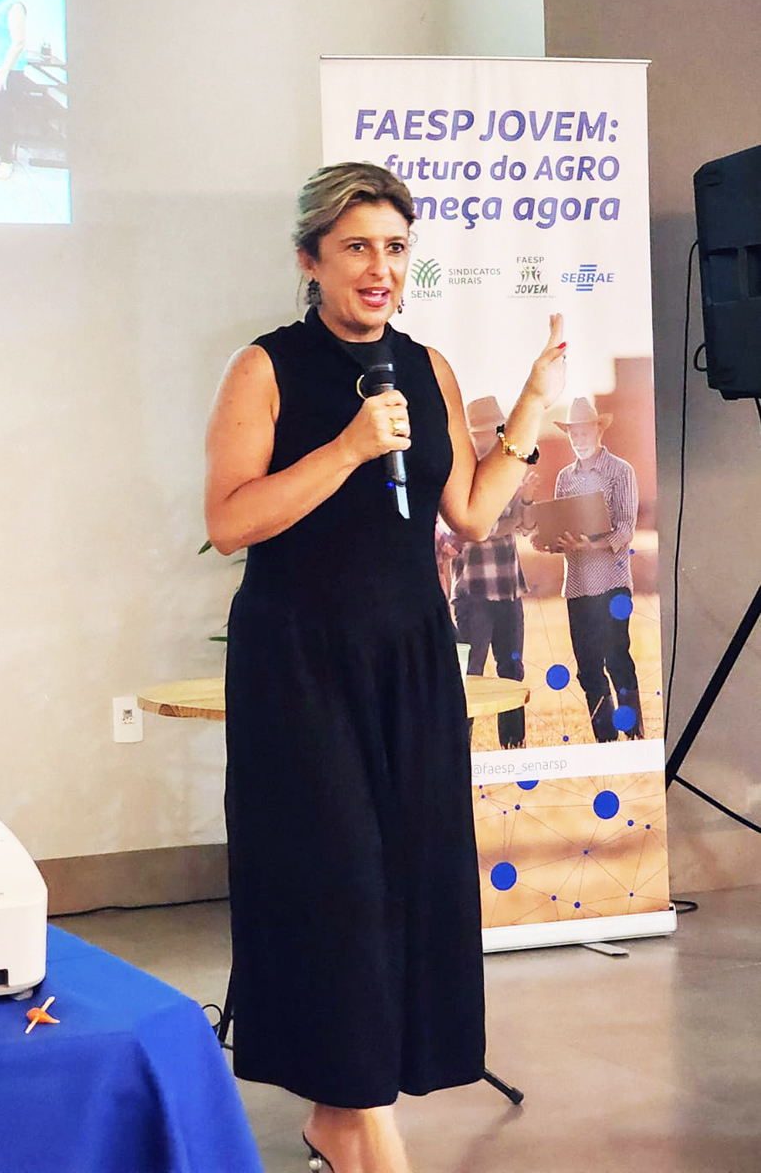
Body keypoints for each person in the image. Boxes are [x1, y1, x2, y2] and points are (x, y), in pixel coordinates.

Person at [204, 162, 567, 1173]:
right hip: (300, 659)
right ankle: (363, 1126)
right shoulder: (265, 368)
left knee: (407, 877)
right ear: (310, 260)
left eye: (396, 248)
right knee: (337, 882)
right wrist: (350, 449)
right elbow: (230, 520)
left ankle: (344, 1113)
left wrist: (533, 403)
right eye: (357, 246)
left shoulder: (426, 365)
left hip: (408, 652)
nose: (380, 268)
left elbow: (472, 513)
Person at [534, 396, 644, 743]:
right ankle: (606, 740)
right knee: (587, 669)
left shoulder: (621, 471)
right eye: (573, 434)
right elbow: (563, 529)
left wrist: (591, 546)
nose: (578, 439)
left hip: (612, 584)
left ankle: (634, 736)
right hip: (578, 587)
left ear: (598, 430)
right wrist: (549, 542)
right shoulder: (564, 478)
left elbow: (625, 530)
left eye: (584, 432)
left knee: (617, 660)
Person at [439, 396, 537, 749]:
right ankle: (460, 748)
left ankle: (514, 746)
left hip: (509, 589)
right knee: (470, 673)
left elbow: (526, 526)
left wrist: (526, 499)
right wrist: (511, 520)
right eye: (481, 432)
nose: (488, 439)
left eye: (495, 432)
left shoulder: (509, 473)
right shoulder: (458, 478)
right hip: (473, 593)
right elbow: (475, 530)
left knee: (512, 671)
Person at [0, 0, 27, 181]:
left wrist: (3, 72)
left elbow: (19, 42)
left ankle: (7, 161)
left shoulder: (13, 5)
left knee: (4, 115)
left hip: (8, 69)